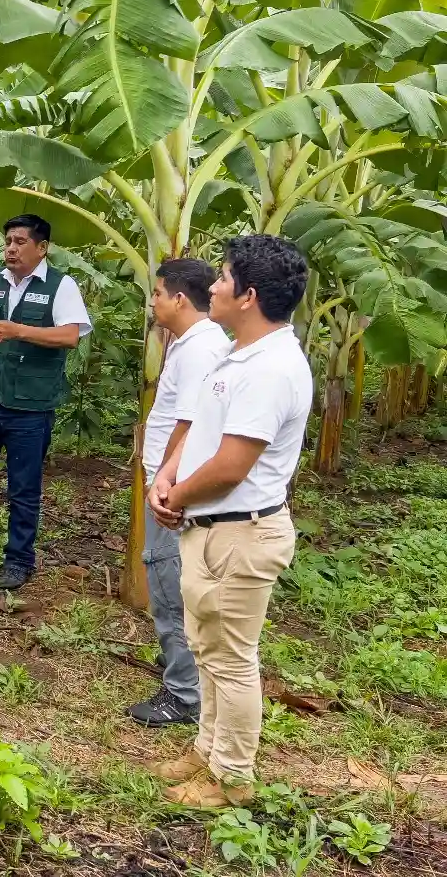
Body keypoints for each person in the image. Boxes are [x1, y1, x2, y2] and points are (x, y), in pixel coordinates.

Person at [148, 235, 311, 809]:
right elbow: (198, 429)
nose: (211, 287)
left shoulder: (271, 369)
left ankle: (232, 777)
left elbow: (233, 464)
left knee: (231, 659)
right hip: (211, 529)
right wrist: (169, 474)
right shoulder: (237, 354)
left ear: (248, 295)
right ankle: (206, 753)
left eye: (221, 278)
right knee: (209, 648)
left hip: (240, 531)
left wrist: (178, 495)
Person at [0, 214, 92, 593]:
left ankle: (19, 559)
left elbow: (69, 336)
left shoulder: (60, 286)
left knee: (23, 487)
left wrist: (19, 330)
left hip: (30, 407)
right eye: (8, 241)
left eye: (19, 242)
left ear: (42, 247)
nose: (11, 248)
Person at [126, 258, 227, 728]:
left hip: (174, 489)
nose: (154, 302)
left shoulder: (200, 350)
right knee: (172, 579)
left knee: (169, 581)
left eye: (158, 293)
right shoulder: (194, 343)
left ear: (180, 298)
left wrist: (164, 482)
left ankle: (183, 693)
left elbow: (189, 426)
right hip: (173, 483)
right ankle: (183, 675)